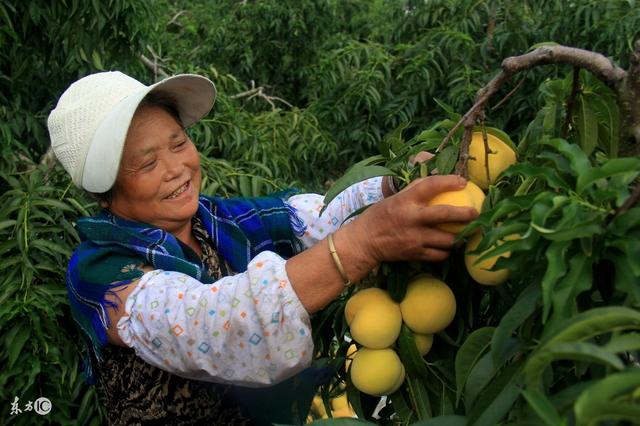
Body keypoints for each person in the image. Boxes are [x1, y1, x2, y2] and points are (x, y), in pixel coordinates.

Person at [47, 71, 477, 425]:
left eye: (179, 143)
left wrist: (393, 184)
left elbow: (316, 217)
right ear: (105, 192)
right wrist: (364, 242)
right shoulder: (102, 270)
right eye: (147, 162)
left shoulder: (218, 220)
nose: (177, 168)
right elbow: (208, 326)